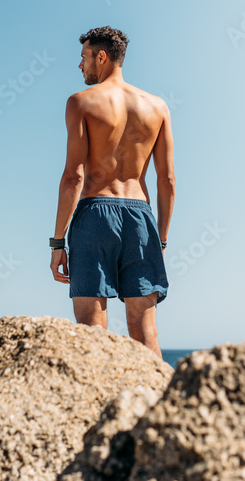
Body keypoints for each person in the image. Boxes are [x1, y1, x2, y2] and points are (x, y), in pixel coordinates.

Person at [49, 26, 174, 359]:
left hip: (95, 217)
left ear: (100, 57)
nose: (80, 66)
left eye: (83, 57)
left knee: (91, 334)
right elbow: (168, 180)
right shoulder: (158, 107)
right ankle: (158, 406)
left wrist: (58, 242)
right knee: (146, 332)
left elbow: (73, 177)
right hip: (140, 217)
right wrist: (160, 241)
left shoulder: (80, 103)